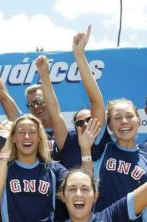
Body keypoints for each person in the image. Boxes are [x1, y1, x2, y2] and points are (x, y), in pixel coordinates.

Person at [37, 25, 107, 170]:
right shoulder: (68, 142)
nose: (85, 125)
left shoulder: (99, 138)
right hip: (69, 192)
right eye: (79, 123)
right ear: (75, 128)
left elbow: (96, 100)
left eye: (89, 119)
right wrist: (44, 76)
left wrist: (79, 54)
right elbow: (54, 114)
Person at [92, 98, 147, 222]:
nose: (124, 121)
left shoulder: (145, 159)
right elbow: (95, 99)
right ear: (108, 126)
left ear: (138, 120)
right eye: (117, 117)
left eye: (129, 116)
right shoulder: (101, 149)